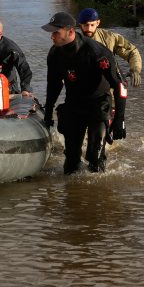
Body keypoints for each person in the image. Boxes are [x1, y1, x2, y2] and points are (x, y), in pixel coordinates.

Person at [41, 11, 127, 173]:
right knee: (71, 162)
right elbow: (53, 85)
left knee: (95, 158)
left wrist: (119, 120)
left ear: (70, 32)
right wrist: (48, 112)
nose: (52, 36)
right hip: (74, 105)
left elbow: (120, 85)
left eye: (56, 32)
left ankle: (97, 194)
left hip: (98, 104)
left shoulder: (96, 52)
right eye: (51, 32)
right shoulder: (55, 53)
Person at [77, 8, 143, 87]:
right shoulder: (73, 41)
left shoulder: (109, 38)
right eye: (85, 25)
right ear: (80, 24)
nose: (89, 29)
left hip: (109, 89)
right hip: (84, 90)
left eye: (92, 25)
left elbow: (132, 52)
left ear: (98, 23)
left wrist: (135, 70)